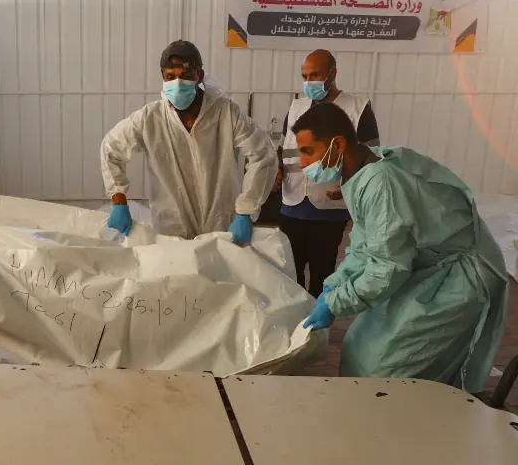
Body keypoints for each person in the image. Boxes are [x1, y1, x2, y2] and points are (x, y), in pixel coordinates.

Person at [298, 102, 507, 393]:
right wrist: (335, 286)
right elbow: (364, 244)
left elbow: (387, 267)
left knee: (388, 368)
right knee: (360, 347)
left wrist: (337, 303)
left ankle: (402, 428)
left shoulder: (381, 182)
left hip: (457, 278)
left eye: (307, 151)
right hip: (426, 266)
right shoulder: (364, 173)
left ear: (338, 144)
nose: (301, 163)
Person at [101, 40, 277, 241]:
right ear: (163, 77)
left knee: (218, 272)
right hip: (171, 224)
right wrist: (119, 200)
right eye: (170, 77)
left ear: (199, 76)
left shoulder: (225, 113)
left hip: (220, 222)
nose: (177, 83)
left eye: (185, 76)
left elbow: (263, 154)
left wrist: (246, 210)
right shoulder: (150, 118)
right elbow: (111, 148)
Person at [278, 49, 380, 298]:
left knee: (322, 274)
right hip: (292, 203)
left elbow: (372, 160)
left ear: (332, 74)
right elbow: (283, 148)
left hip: (329, 208)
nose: (309, 82)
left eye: (315, 75)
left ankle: (317, 327)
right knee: (288, 274)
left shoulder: (357, 108)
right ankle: (293, 324)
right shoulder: (296, 106)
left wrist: (348, 186)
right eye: (305, 76)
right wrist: (277, 171)